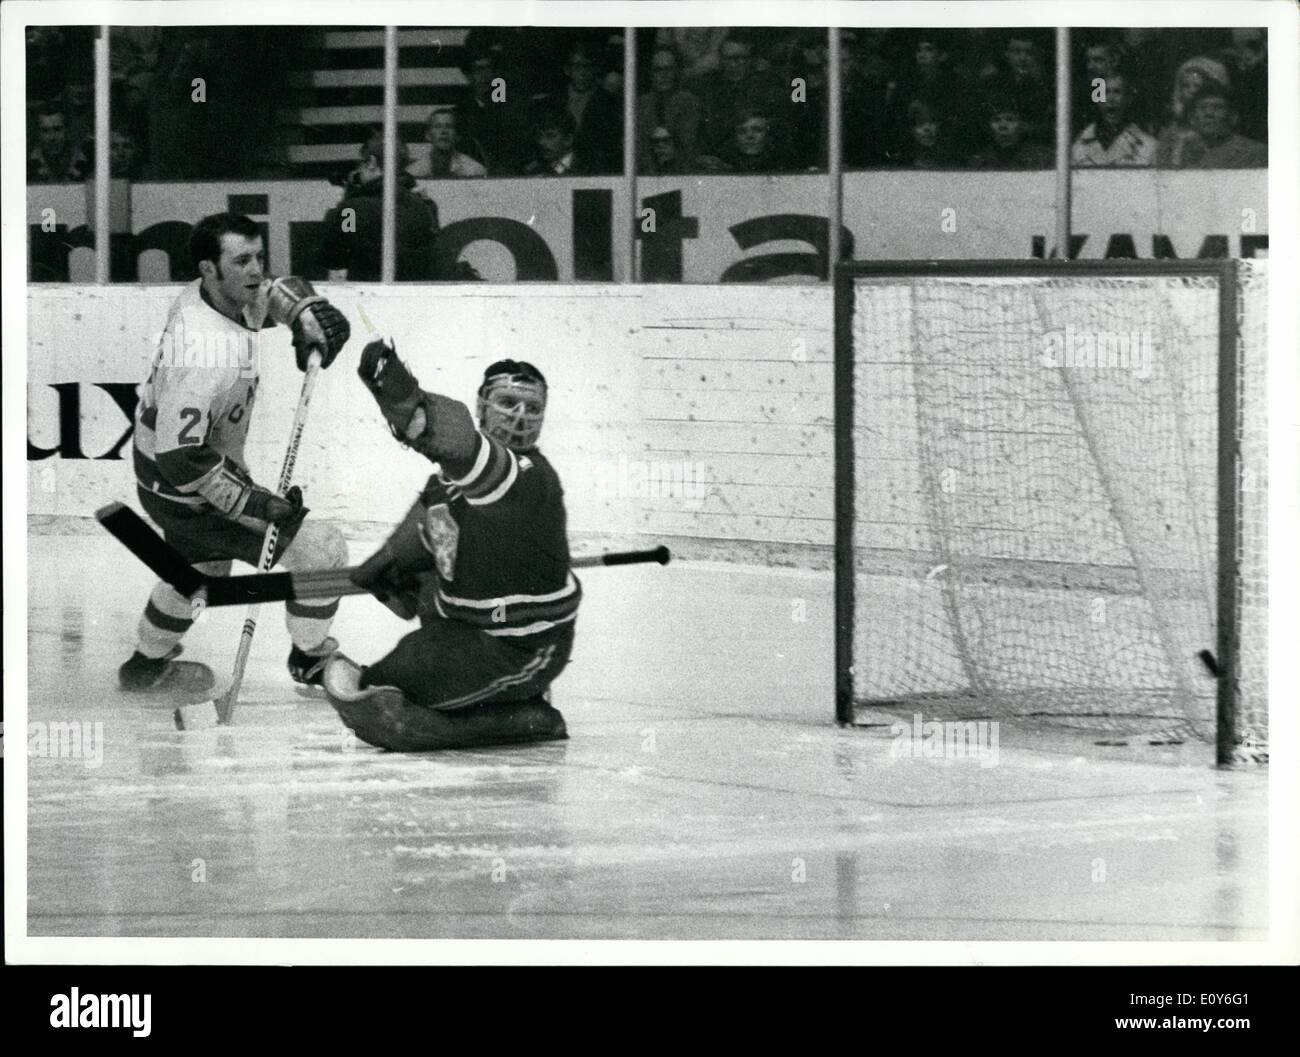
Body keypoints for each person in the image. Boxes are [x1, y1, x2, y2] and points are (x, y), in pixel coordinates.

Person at [119, 213, 352, 693]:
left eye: (259, 257)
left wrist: (306, 312)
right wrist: (259, 504)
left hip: (160, 472)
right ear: (209, 268)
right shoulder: (204, 353)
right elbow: (182, 459)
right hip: (183, 484)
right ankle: (309, 657)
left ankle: (146, 664)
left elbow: (273, 293)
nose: (255, 271)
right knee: (322, 552)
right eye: (241, 260)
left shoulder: (210, 293)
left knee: (201, 568)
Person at [322, 341, 577, 752]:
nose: (520, 417)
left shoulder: (529, 478)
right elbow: (428, 522)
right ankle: (504, 703)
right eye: (508, 402)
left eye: (533, 408)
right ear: (483, 405)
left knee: (383, 685)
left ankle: (527, 719)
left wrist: (414, 409)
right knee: (408, 641)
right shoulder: (447, 483)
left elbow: (464, 446)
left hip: (521, 649)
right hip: (471, 632)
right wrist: (388, 564)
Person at [320, 130, 441, 280]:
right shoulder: (424, 206)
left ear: (372, 162)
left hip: (368, 292)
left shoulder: (350, 210)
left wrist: (339, 210)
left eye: (362, 163)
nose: (359, 170)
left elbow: (336, 256)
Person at [1071, 73, 1157, 167]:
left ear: (1128, 99)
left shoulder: (1147, 146)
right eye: (1105, 92)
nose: (1111, 99)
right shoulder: (1079, 146)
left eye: (1117, 92)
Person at [637, 46, 700, 173]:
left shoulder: (689, 102)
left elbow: (689, 145)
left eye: (669, 69)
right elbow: (637, 148)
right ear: (650, 73)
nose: (664, 75)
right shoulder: (639, 105)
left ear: (677, 71)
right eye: (658, 70)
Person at [1175, 84, 1267, 168]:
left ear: (1233, 117)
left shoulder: (1254, 153)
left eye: (1218, 107)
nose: (1209, 113)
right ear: (1192, 118)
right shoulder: (1179, 151)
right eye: (1202, 108)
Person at [408, 107, 488, 178]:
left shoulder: (475, 170)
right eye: (438, 126)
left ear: (457, 136)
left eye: (449, 126)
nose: (443, 132)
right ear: (428, 135)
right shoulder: (413, 172)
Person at [28, 104, 89, 182]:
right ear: (38, 133)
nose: (52, 137)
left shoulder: (84, 164)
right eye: (45, 131)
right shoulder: (29, 167)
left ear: (67, 130)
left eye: (57, 129)